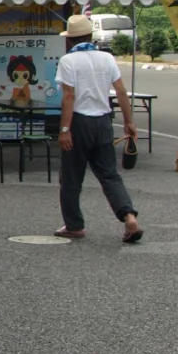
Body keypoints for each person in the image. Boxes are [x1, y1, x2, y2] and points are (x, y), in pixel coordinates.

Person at [55, 13, 142, 242]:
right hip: (103, 122)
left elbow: (69, 96)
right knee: (109, 175)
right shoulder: (107, 58)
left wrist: (64, 129)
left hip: (79, 122)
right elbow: (121, 91)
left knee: (71, 177)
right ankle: (129, 217)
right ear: (90, 35)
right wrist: (129, 122)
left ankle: (74, 225)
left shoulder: (68, 61)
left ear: (69, 39)